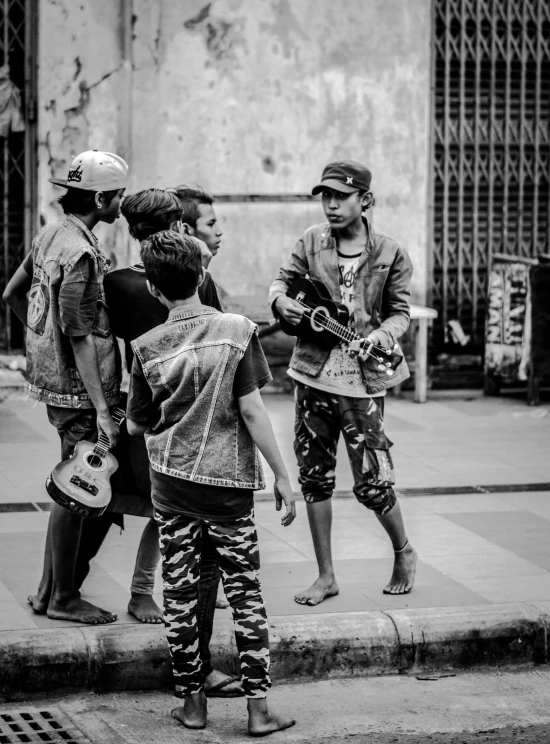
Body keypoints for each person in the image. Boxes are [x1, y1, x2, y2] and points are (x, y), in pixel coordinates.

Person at [126, 230, 296, 735]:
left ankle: (194, 706)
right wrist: (283, 477)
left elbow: (136, 424)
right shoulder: (238, 330)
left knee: (179, 596)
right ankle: (259, 711)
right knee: (245, 594)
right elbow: (251, 408)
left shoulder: (147, 347)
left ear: (154, 291)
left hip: (173, 489)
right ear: (203, 275)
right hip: (229, 491)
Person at [102, 188, 242, 697]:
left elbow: (110, 351)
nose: (213, 231)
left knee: (173, 520)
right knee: (186, 532)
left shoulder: (117, 282)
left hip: (161, 418)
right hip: (189, 424)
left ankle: (191, 675)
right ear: (181, 230)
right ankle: (195, 666)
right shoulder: (187, 291)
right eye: (205, 223)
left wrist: (116, 412)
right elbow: (232, 369)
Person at [269, 160, 418, 606]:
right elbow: (282, 281)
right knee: (314, 478)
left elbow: (401, 311)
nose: (331, 204)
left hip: (363, 383)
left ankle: (404, 550)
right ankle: (326, 575)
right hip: (312, 374)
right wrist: (280, 303)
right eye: (325, 196)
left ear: (364, 200)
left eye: (341, 196)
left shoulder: (390, 252)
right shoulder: (311, 241)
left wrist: (379, 334)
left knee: (372, 482)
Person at [2, 150, 128, 623]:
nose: (122, 203)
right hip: (80, 394)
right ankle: (63, 598)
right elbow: (78, 334)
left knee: (73, 483)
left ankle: (45, 592)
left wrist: (41, 346)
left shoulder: (51, 233)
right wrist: (100, 408)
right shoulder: (79, 251)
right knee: (78, 489)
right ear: (100, 198)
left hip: (57, 386)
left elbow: (12, 295)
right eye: (117, 196)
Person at [167, 186, 222, 270]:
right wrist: (201, 273)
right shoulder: (165, 278)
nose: (219, 232)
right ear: (185, 230)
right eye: (210, 224)